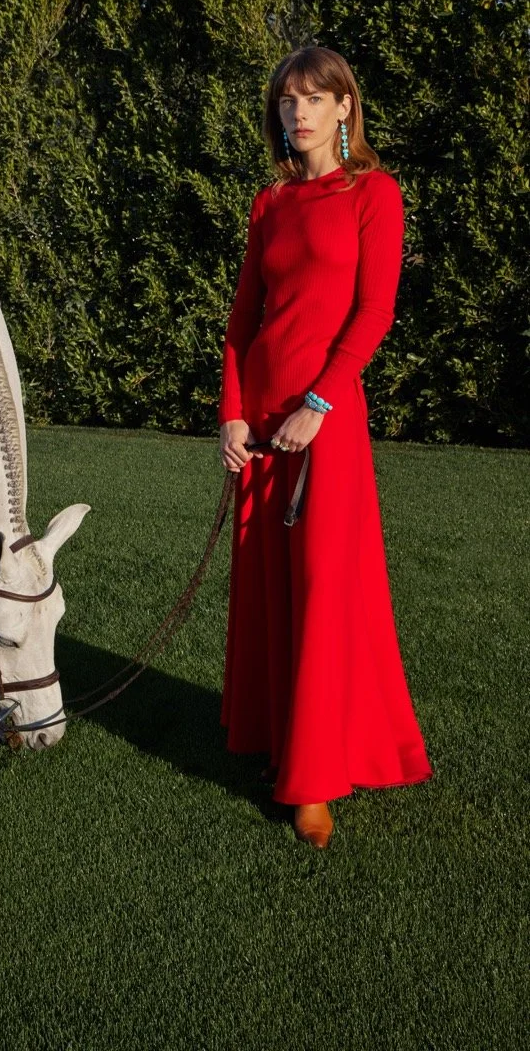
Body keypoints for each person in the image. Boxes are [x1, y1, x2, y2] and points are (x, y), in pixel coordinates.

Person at [218, 46, 432, 848]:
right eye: (286, 100)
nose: (298, 112)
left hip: (325, 420)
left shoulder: (373, 193)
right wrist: (233, 414)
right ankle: (276, 741)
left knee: (323, 588)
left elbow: (374, 312)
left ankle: (313, 778)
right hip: (264, 422)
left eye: (315, 98)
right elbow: (243, 323)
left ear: (346, 109)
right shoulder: (269, 202)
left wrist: (319, 401)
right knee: (271, 585)